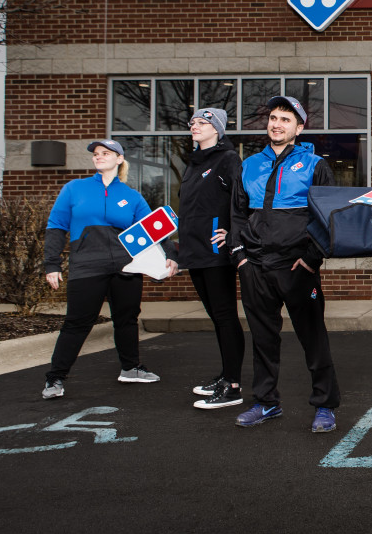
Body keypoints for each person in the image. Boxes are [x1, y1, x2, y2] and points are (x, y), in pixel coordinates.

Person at [230, 95, 341, 431]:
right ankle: (266, 403)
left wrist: (311, 259)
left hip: (297, 266)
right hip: (255, 266)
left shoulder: (315, 165)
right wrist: (240, 257)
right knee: (263, 339)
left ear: (299, 128)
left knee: (313, 337)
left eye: (286, 119)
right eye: (273, 118)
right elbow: (237, 214)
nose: (277, 124)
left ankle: (325, 405)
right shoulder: (249, 164)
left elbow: (329, 218)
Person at [41, 139, 177, 399]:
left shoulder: (131, 196)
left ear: (119, 159)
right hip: (87, 266)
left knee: (126, 319)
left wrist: (171, 255)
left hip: (126, 266)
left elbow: (154, 229)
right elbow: (56, 226)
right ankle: (55, 378)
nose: (99, 156)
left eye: (106, 153)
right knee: (77, 323)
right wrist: (52, 263)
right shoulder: (74, 189)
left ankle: (130, 368)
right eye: (96, 153)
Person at [179, 107, 245, 409]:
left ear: (217, 129)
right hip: (194, 251)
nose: (195, 125)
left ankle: (233, 386)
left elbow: (241, 200)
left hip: (216, 252)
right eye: (193, 122)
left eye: (202, 122)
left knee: (225, 316)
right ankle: (225, 375)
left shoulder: (228, 159)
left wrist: (231, 232)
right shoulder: (193, 163)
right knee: (216, 318)